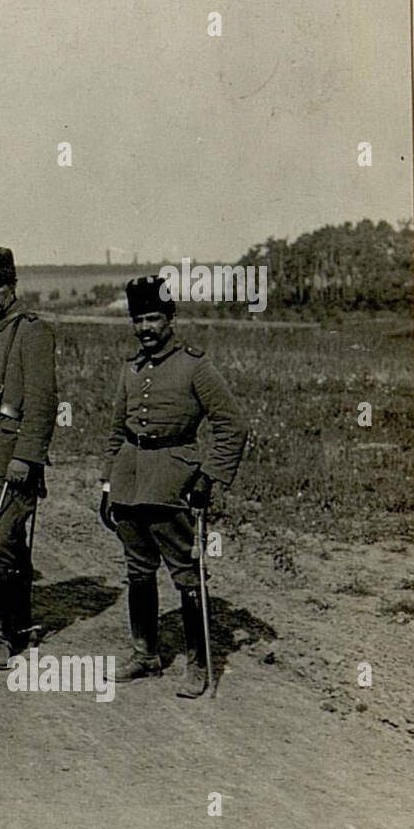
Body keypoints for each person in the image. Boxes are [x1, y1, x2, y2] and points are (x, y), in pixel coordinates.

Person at [99, 275, 248, 697]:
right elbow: (116, 430)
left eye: (153, 319)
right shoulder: (130, 368)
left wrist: (210, 476)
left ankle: (199, 663)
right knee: (138, 572)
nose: (145, 328)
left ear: (170, 319)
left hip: (173, 484)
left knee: (187, 575)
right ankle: (144, 653)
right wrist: (108, 484)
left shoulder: (195, 366)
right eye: (139, 320)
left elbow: (232, 423)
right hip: (129, 481)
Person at [0, 246, 58, 669]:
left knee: (1, 545)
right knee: (8, 545)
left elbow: (41, 401)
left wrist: (27, 456)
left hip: (15, 458)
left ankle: (3, 634)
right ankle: (19, 627)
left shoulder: (31, 330)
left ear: (13, 284)